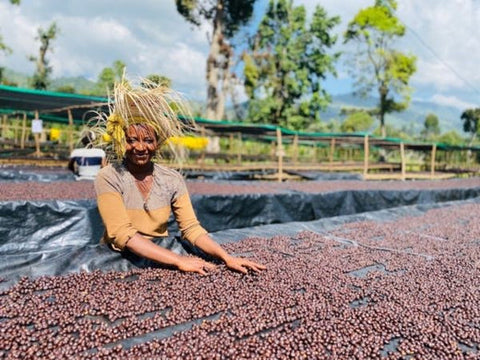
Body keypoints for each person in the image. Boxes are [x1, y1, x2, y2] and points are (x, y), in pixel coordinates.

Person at [93, 81, 265, 275]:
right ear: (122, 142)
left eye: (148, 140)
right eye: (132, 140)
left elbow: (191, 228)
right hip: (117, 261)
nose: (140, 147)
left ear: (157, 143)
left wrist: (226, 257)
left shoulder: (171, 179)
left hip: (161, 260)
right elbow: (123, 234)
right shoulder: (108, 176)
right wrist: (179, 260)